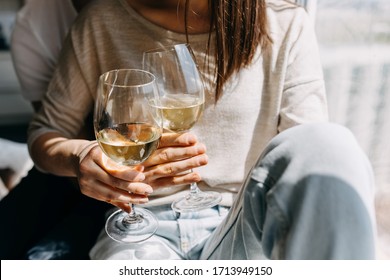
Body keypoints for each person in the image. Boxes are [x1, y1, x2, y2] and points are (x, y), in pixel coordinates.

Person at [19, 0, 378, 259]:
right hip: (142, 227)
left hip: (245, 226)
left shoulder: (285, 24)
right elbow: (46, 131)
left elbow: (307, 165)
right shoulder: (102, 20)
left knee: (330, 144)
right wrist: (80, 157)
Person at [0, 0, 100, 260]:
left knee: (44, 256)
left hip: (142, 177)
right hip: (70, 165)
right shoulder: (32, 27)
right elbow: (52, 129)